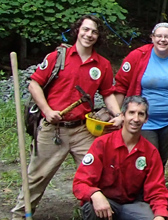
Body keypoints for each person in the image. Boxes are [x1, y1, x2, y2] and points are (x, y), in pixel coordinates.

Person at [11, 14, 123, 219]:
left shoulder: (103, 65)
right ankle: (20, 214)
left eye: (94, 32)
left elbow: (107, 93)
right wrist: (47, 110)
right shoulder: (57, 57)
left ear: (99, 36)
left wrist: (118, 114)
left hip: (83, 130)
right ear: (78, 30)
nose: (89, 35)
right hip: (53, 130)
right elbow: (34, 84)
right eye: (86, 29)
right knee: (37, 176)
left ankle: (96, 213)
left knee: (97, 172)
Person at [114, 22, 168, 166]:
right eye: (159, 36)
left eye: (167, 37)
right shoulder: (138, 56)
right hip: (144, 120)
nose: (163, 40)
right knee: (149, 158)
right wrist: (119, 114)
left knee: (162, 158)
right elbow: (120, 86)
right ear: (152, 38)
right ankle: (144, 187)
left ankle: (157, 187)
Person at [72, 96, 168, 220]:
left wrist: (160, 215)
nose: (136, 119)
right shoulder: (102, 143)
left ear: (146, 119)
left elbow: (157, 190)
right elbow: (80, 183)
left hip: (132, 205)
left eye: (141, 114)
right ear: (122, 116)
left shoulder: (150, 152)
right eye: (131, 113)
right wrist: (95, 194)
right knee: (92, 207)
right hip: (106, 202)